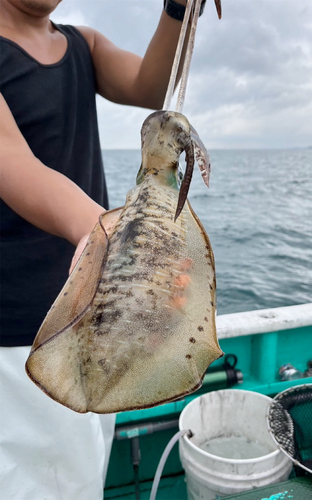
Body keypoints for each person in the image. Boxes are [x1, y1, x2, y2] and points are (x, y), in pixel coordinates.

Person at [0, 1, 205, 498]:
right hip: (18, 325)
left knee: (85, 474)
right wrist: (103, 231)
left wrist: (179, 8)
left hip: (102, 307)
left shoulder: (82, 44)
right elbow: (9, 157)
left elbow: (149, 85)